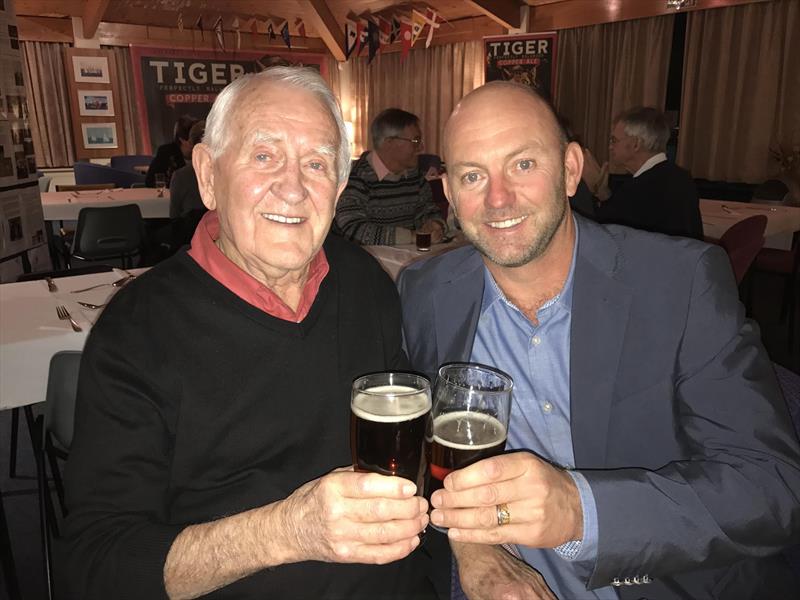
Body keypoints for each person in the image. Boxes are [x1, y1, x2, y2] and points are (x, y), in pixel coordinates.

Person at [398, 81, 800, 599]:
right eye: (473, 175)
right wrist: (476, 547)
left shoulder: (679, 282)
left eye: (523, 164)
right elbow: (426, 447)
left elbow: (773, 487)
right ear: (450, 194)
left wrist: (578, 510)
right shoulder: (427, 292)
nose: (498, 199)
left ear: (569, 169)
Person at [59, 68, 446, 600]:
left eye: (316, 163)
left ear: (337, 187)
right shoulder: (137, 331)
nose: (293, 187)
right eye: (264, 156)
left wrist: (476, 554)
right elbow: (95, 566)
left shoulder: (363, 282)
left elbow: (417, 447)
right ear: (209, 174)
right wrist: (285, 532)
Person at [583, 106, 703, 240]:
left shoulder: (642, 187)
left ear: (636, 144)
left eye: (614, 140)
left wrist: (594, 188)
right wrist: (603, 193)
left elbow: (605, 233)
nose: (610, 146)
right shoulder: (679, 176)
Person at [334, 108, 445, 245]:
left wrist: (435, 225)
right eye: (415, 141)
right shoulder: (355, 178)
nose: (421, 148)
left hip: (408, 260)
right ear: (390, 143)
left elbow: (429, 210)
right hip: (366, 262)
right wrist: (412, 237)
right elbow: (352, 229)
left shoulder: (415, 176)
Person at [168, 120, 207, 248]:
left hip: (188, 237)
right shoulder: (228, 174)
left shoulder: (180, 176)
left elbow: (174, 214)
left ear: (191, 144)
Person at [145, 114, 200, 188]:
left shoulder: (203, 153)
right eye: (195, 138)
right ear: (182, 140)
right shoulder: (166, 153)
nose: (200, 141)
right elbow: (151, 181)